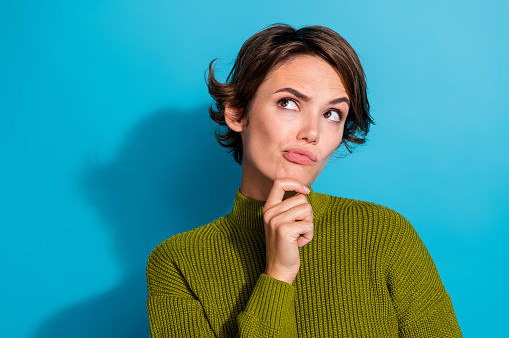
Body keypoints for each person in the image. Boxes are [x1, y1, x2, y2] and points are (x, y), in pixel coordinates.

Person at [146, 24, 462, 337]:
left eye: (332, 114)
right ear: (237, 113)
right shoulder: (177, 263)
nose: (311, 132)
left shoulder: (385, 234)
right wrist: (278, 275)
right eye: (288, 103)